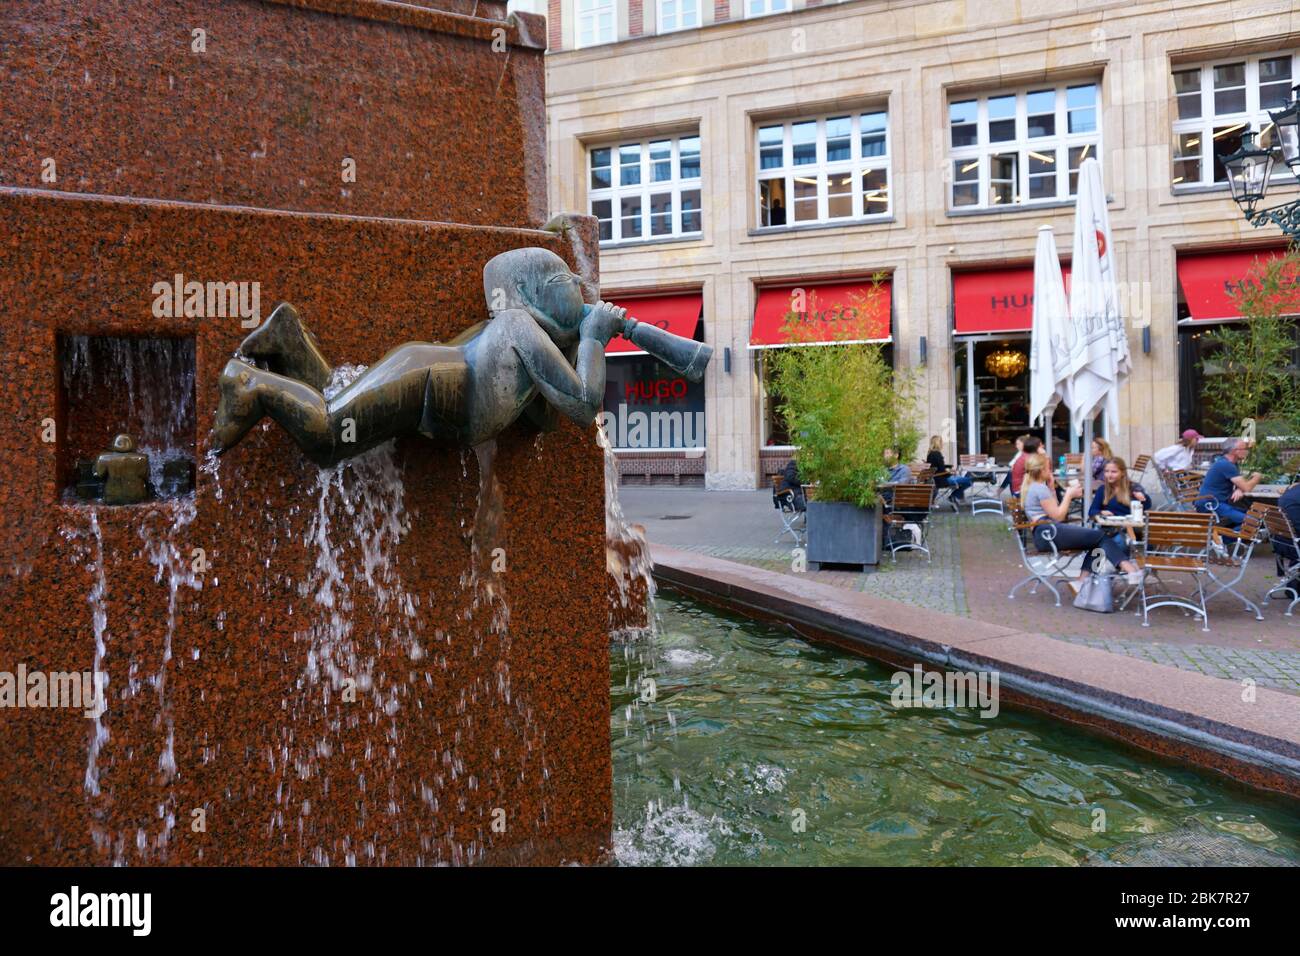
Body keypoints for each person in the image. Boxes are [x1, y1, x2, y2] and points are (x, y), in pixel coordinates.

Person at [213, 247, 630, 466]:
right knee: (328, 439)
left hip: (435, 390)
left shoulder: (529, 340)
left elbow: (547, 420)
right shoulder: (516, 325)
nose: (578, 282)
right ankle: (253, 384)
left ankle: (290, 340)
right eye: (565, 278)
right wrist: (594, 336)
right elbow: (581, 405)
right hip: (425, 378)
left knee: (336, 408)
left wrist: (577, 342)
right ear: (532, 294)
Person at [1020, 454, 1142, 585]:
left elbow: (1055, 510)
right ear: (1042, 470)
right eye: (1049, 468)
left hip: (1046, 534)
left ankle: (1083, 580)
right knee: (1101, 536)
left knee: (1097, 542)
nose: (1051, 471)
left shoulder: (1036, 487)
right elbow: (1059, 516)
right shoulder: (1039, 489)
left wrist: (1052, 489)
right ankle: (1129, 569)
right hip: (1048, 533)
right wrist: (1069, 495)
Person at [1196, 438, 1262, 529]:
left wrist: (1239, 488)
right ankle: (1224, 540)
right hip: (1212, 505)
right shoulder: (1226, 465)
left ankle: (1225, 538)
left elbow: (1241, 482)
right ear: (1234, 451)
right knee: (1254, 521)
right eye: (1244, 449)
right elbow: (1247, 488)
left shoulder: (1231, 464)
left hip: (1219, 504)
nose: (1247, 452)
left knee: (1252, 515)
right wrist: (1257, 478)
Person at [926, 436, 973, 505]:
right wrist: (951, 473)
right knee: (969, 480)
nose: (943, 444)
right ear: (938, 443)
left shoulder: (930, 454)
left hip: (936, 478)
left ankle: (956, 496)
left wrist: (949, 472)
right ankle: (953, 496)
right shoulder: (937, 454)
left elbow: (937, 467)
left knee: (965, 478)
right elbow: (942, 470)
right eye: (941, 442)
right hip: (942, 479)